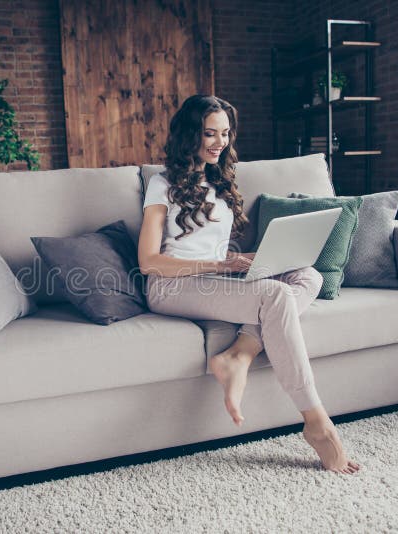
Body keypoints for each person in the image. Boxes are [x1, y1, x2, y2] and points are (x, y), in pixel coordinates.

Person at [137, 95, 361, 475]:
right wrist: (224, 263)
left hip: (218, 279)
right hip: (170, 286)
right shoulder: (162, 184)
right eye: (209, 133)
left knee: (308, 274)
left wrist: (251, 262)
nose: (218, 142)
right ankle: (317, 422)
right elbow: (148, 262)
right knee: (274, 296)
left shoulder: (220, 180)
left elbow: (220, 251)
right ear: (189, 134)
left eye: (224, 133)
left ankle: (240, 353)